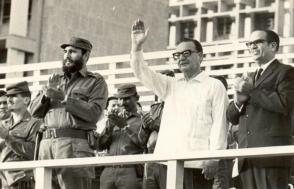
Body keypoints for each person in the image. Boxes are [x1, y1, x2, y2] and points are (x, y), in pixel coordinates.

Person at [131, 19, 229, 189]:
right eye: (177, 55)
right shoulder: (171, 85)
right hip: (167, 162)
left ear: (200, 56)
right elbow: (142, 72)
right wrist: (137, 47)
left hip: (197, 164)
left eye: (186, 53)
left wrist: (214, 158)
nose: (181, 58)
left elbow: (220, 124)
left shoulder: (214, 85)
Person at [29, 37, 108, 189]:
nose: (67, 55)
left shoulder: (95, 81)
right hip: (46, 147)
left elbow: (94, 113)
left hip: (75, 146)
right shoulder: (55, 80)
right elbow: (33, 112)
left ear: (86, 56)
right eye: (65, 52)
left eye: (72, 52)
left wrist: (64, 99)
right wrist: (46, 95)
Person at [226, 30, 294, 189]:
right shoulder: (248, 76)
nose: (252, 46)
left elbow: (285, 104)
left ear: (273, 46)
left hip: (271, 158)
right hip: (246, 158)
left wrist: (251, 92)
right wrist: (238, 100)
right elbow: (231, 117)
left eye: (257, 42)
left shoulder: (286, 72)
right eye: (249, 43)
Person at [98, 84, 146, 189]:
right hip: (108, 170)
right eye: (120, 99)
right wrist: (109, 127)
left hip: (130, 170)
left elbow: (143, 144)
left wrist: (125, 127)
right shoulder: (113, 120)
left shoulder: (143, 120)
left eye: (127, 98)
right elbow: (100, 146)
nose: (122, 103)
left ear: (136, 98)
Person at [0, 81, 41, 189]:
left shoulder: (35, 123)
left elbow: (34, 152)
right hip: (3, 181)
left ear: (26, 100)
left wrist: (8, 138)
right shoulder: (3, 124)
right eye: (8, 96)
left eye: (13, 96)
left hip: (21, 182)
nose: (8, 99)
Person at [138, 69, 175, 189]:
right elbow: (142, 141)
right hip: (151, 160)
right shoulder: (153, 108)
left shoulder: (179, 105)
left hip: (168, 160)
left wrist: (156, 125)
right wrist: (144, 127)